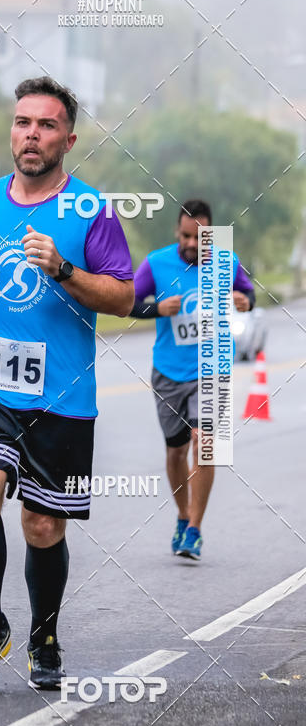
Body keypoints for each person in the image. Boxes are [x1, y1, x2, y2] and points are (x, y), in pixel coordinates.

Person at [0, 76, 134, 689]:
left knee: (43, 526)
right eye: (23, 122)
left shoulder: (90, 209)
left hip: (63, 396)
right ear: (12, 130)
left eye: (46, 126)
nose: (32, 135)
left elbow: (124, 295)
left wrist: (64, 268)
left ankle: (44, 634)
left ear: (68, 139)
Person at [130, 199, 255, 560]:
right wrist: (156, 308)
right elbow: (127, 302)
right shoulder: (157, 263)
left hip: (213, 367)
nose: (191, 243)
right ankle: (183, 517)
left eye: (200, 238)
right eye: (186, 236)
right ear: (177, 232)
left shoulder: (227, 262)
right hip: (169, 372)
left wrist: (244, 300)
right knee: (175, 451)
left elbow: (249, 294)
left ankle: (196, 530)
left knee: (205, 442)